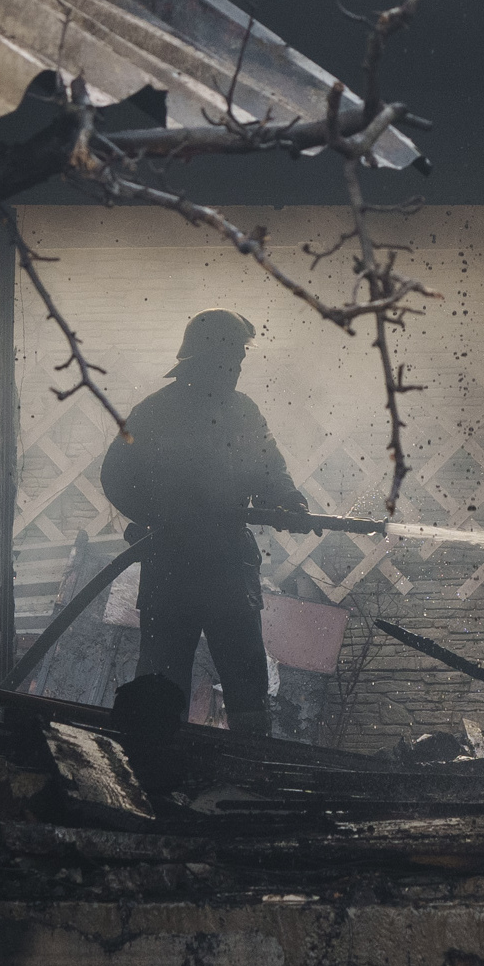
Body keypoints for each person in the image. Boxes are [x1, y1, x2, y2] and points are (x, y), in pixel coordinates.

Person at [98, 311, 313, 739]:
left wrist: (289, 500)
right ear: (202, 360)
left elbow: (269, 467)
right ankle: (156, 769)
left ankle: (249, 767)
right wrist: (159, 517)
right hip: (172, 563)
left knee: (246, 678)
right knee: (161, 682)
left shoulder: (242, 412)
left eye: (238, 360)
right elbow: (115, 477)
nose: (235, 369)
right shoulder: (155, 413)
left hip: (227, 565)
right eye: (229, 359)